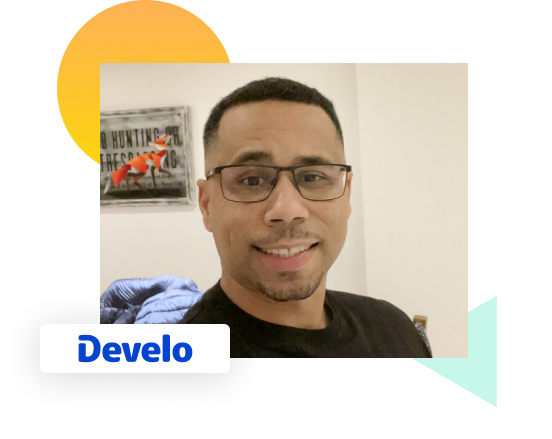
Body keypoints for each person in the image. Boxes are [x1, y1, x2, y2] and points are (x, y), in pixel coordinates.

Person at [180, 77, 433, 359]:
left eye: (312, 177)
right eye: (252, 180)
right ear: (207, 204)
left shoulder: (393, 329)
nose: (288, 210)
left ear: (346, 194)